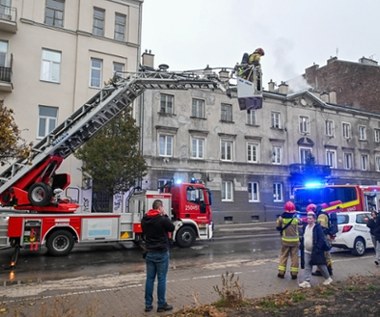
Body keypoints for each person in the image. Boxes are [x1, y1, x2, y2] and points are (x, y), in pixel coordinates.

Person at [141, 199, 175, 313]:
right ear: (160, 208)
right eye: (162, 208)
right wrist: (165, 215)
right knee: (161, 279)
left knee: (149, 279)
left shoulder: (145, 219)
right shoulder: (162, 219)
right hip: (161, 253)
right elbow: (172, 227)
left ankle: (148, 305)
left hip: (149, 252)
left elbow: (144, 233)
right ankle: (161, 305)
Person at [299, 211, 333, 288]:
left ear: (314, 219)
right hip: (307, 251)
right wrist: (302, 245)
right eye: (308, 218)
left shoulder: (317, 228)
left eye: (310, 218)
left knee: (321, 265)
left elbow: (321, 239)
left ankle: (328, 278)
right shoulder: (306, 227)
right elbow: (304, 237)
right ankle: (306, 281)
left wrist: (318, 248)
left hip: (316, 250)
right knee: (307, 265)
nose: (309, 220)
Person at [276, 201, 300, 280]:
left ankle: (281, 273)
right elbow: (301, 222)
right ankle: (294, 274)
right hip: (295, 241)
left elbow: (278, 227)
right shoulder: (295, 218)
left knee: (284, 256)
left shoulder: (281, 218)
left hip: (285, 241)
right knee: (294, 257)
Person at [310, 204, 333, 276]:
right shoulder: (322, 214)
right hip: (325, 236)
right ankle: (322, 270)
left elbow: (321, 228)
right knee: (323, 254)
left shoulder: (321, 216)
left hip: (323, 237)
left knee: (325, 254)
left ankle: (328, 270)